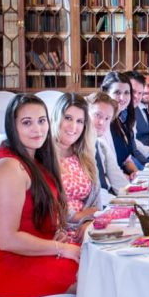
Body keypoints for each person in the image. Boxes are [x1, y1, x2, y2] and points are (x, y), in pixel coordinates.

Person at [0, 94, 80, 297]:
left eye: (41, 121)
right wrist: (60, 248)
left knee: (92, 266)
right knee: (89, 277)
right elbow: (6, 239)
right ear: (12, 126)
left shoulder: (33, 159)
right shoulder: (9, 168)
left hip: (22, 254)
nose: (37, 129)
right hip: (0, 265)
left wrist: (53, 236)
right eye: (27, 123)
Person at [52, 92, 99, 222]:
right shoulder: (45, 155)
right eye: (68, 118)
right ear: (56, 118)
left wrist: (88, 223)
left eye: (79, 121)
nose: (73, 127)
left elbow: (96, 204)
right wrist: (77, 217)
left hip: (87, 225)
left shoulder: (85, 155)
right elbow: (45, 202)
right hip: (59, 230)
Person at [101, 71, 149, 174]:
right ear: (105, 93)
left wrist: (138, 174)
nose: (123, 98)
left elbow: (126, 159)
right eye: (117, 92)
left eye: (127, 93)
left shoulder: (120, 121)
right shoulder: (102, 124)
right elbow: (107, 167)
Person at [90, 91, 131, 197]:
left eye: (107, 118)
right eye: (97, 115)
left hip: (108, 202)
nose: (101, 123)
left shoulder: (102, 147)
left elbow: (120, 184)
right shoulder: (74, 149)